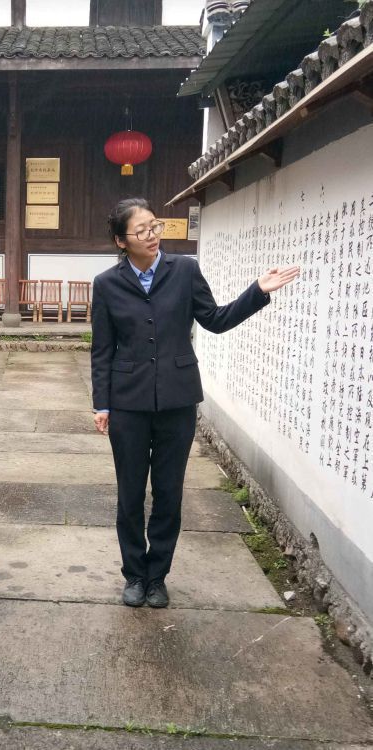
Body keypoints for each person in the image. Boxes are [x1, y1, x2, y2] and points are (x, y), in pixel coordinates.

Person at [91, 197, 299, 609]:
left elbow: (215, 320)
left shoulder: (184, 270)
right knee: (130, 495)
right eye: (141, 231)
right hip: (128, 404)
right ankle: (134, 575)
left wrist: (257, 291)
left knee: (168, 493)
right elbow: (102, 349)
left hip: (178, 400)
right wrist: (102, 404)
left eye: (155, 227)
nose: (152, 236)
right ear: (121, 241)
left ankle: (157, 577)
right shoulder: (107, 283)